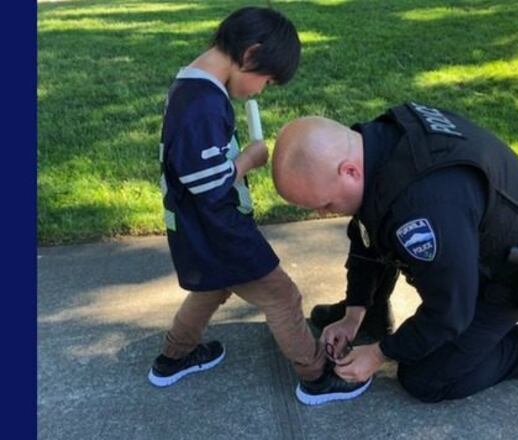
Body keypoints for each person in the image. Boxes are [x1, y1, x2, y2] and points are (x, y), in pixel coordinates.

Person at [271, 103, 518, 402]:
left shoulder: (422, 209)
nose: (327, 213)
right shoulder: (375, 143)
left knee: (426, 378)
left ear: (349, 171)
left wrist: (381, 353)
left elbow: (450, 311)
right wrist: (355, 312)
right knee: (387, 226)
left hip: (517, 268)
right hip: (478, 235)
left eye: (326, 205)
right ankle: (375, 315)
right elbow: (367, 230)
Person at [149, 6, 371, 406]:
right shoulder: (202, 103)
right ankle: (316, 375)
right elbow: (208, 185)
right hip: (220, 228)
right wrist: (248, 159)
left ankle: (173, 357)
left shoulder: (192, 87)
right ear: (250, 55)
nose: (261, 90)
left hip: (198, 230)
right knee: (282, 297)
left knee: (211, 289)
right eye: (266, 80)